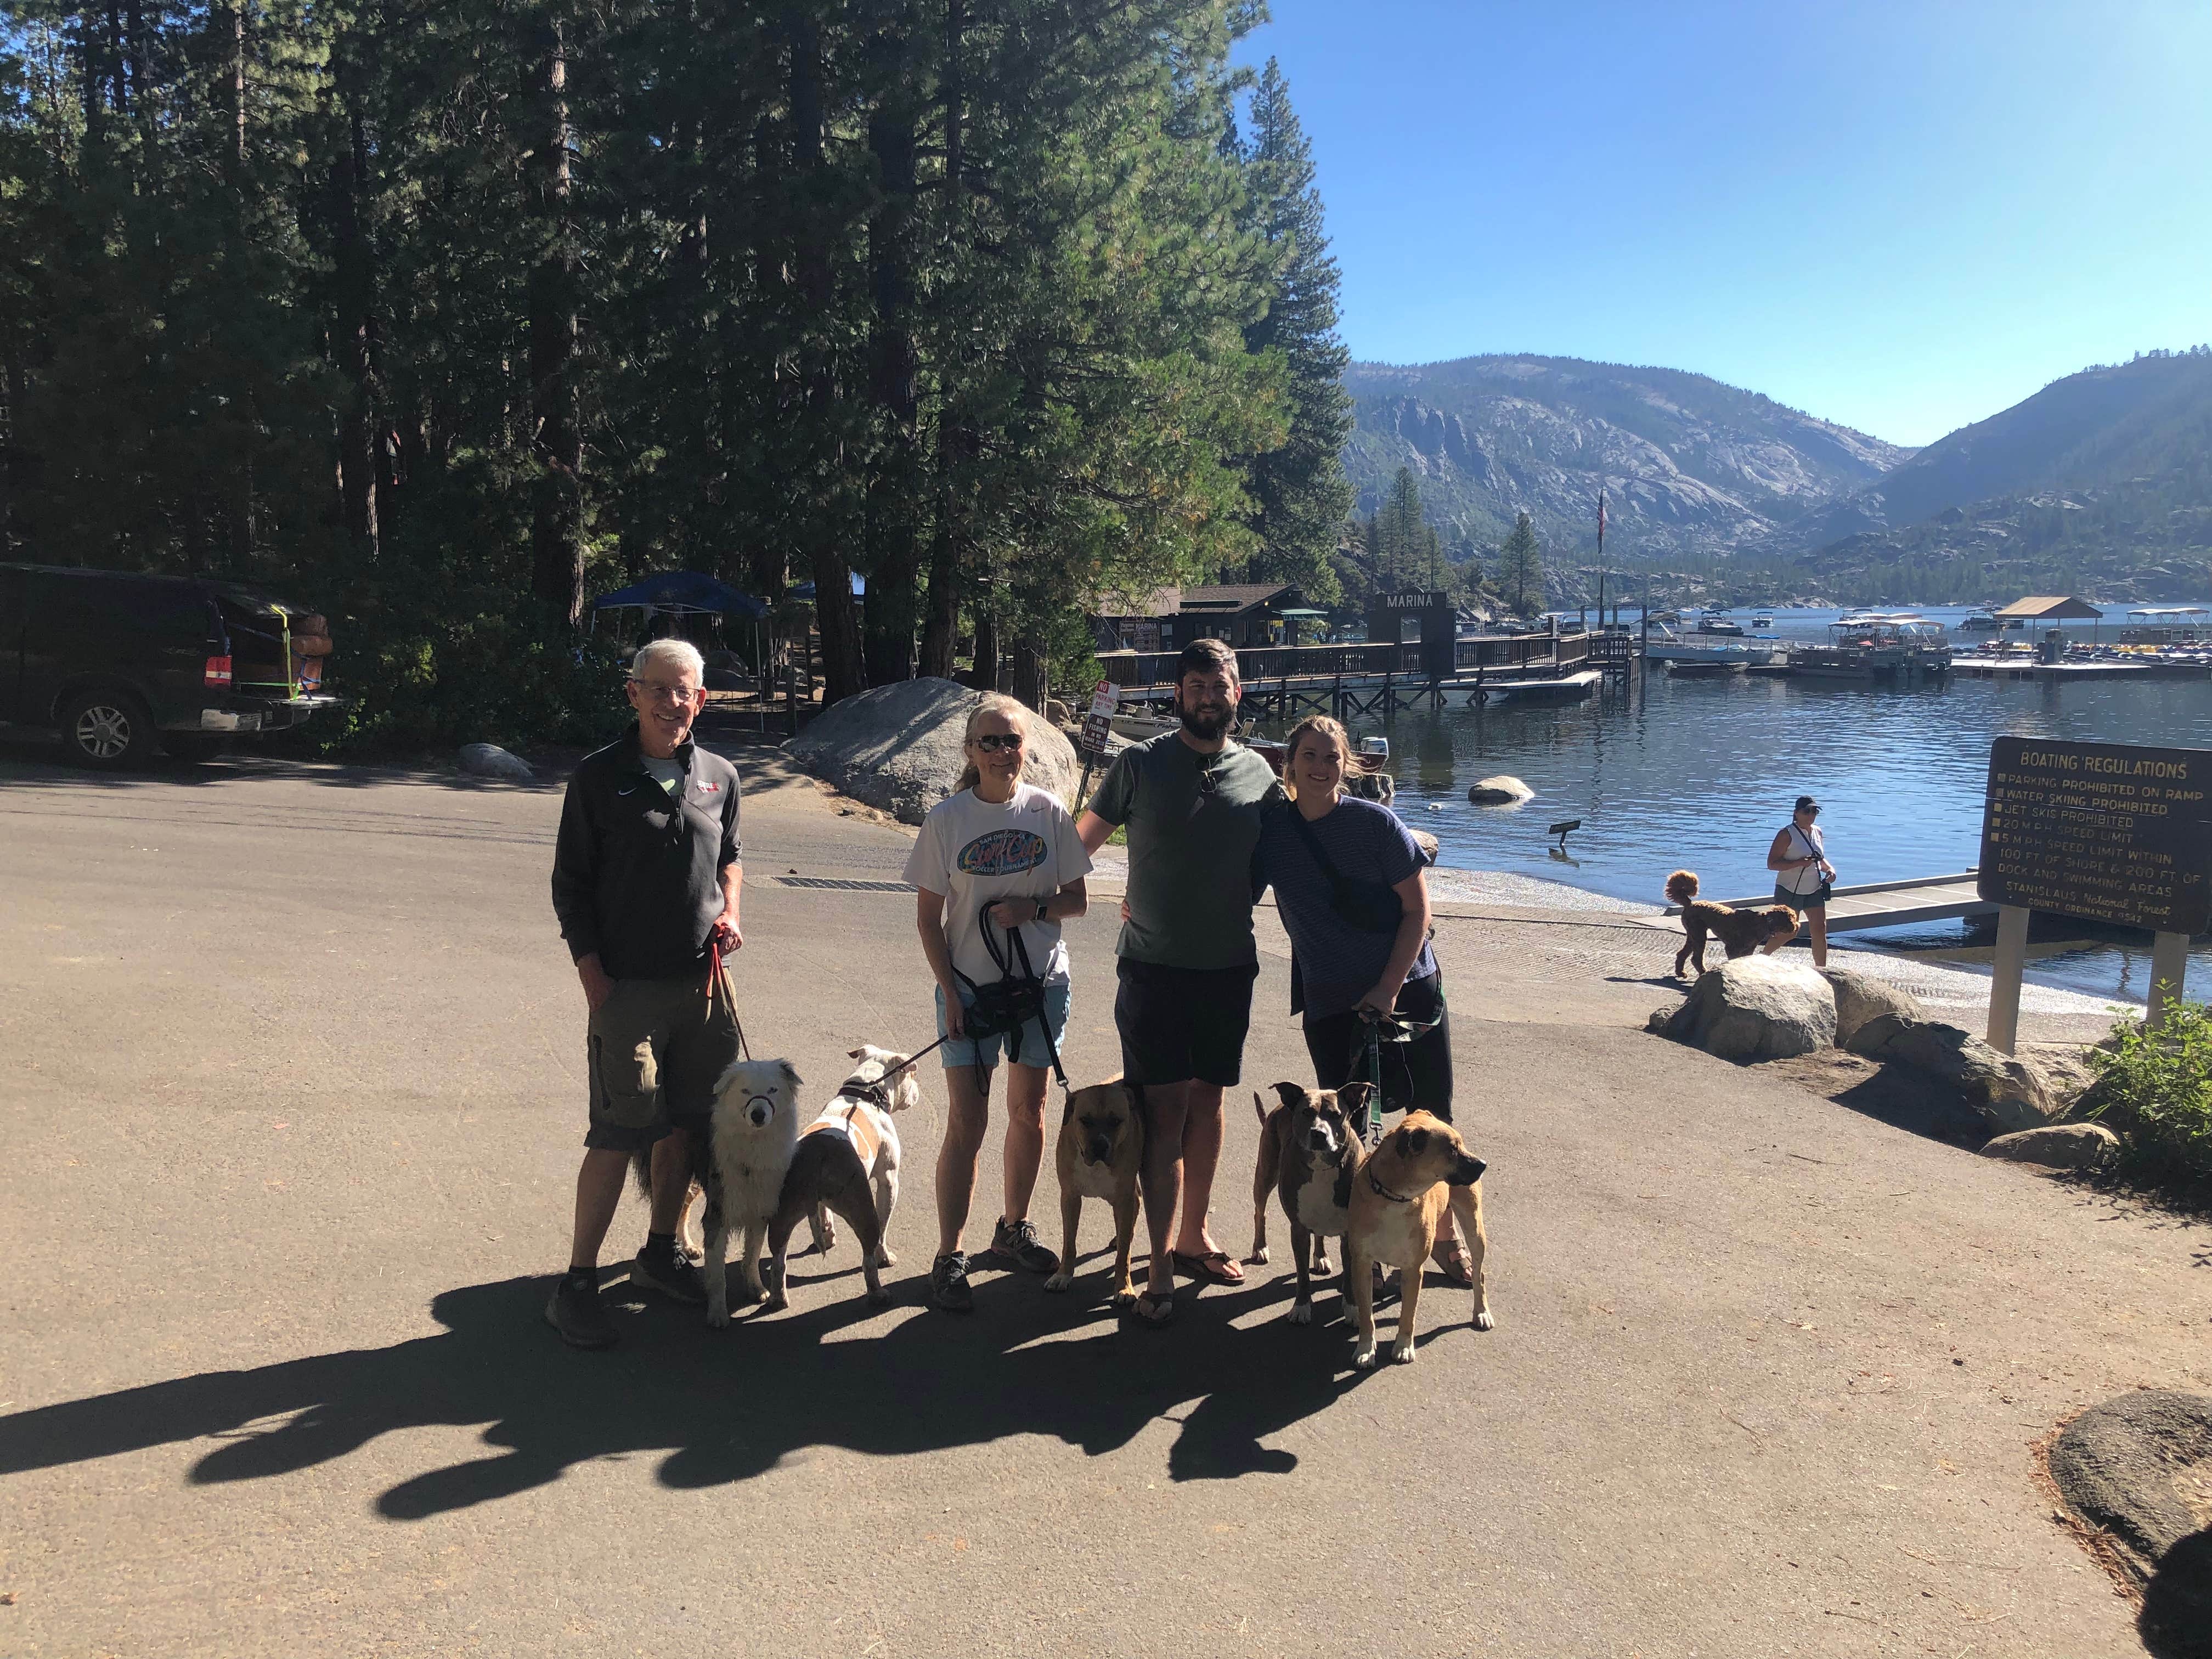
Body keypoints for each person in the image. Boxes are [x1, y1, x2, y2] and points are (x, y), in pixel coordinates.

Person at [1076, 637, 1283, 1325]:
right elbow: (1080, 844)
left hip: (1228, 967)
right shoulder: (1140, 764)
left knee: (1209, 1101)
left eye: (1219, 685)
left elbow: (1281, 861)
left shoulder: (1260, 776)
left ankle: (1194, 1234)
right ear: (1178, 694)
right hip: (1153, 968)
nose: (1208, 697)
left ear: (1237, 692)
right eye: (1196, 686)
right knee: (1163, 1111)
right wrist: (1027, 901)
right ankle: (1160, 1259)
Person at [545, 638, 744, 1349]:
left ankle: (660, 1254)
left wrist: (732, 912)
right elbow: (570, 884)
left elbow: (730, 859)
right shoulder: (599, 777)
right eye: (657, 688)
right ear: (632, 694)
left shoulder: (720, 776)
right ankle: (576, 1284)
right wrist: (593, 976)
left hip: (704, 987)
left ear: (701, 699)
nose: (671, 702)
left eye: (684, 690)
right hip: (625, 989)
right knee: (619, 1131)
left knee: (687, 1124)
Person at [1254, 715, 1473, 1285]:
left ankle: (1442, 1236)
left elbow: (1417, 911)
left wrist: (1388, 989)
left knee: (1431, 1117)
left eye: (1331, 757)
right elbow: (1229, 888)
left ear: (1346, 763)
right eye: (1308, 755)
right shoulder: (1273, 833)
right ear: (1289, 763)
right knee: (1345, 1129)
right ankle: (1368, 1246)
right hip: (1330, 1001)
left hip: (1409, 989)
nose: (1320, 767)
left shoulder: (1376, 824)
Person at [905, 694, 1091, 1314]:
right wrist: (951, 992)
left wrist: (1031, 909)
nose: (1002, 752)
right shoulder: (946, 820)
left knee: (1029, 1112)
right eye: (989, 742)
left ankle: (1013, 1228)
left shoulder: (1049, 812)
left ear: (1025, 747)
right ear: (970, 750)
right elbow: (929, 921)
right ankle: (949, 1253)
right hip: (970, 991)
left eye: (1012, 740)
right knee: (968, 1122)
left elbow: (1077, 901)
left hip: (1040, 986)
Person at [1767, 794, 1835, 967]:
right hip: (1789, 889)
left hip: (1814, 889)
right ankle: (1761, 957)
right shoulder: (1786, 834)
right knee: (1788, 931)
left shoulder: (1818, 832)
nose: (1811, 815)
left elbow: (1820, 859)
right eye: (1807, 812)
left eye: (1814, 812)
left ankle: (1822, 969)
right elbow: (1772, 864)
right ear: (1796, 813)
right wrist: (1798, 863)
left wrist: (1830, 870)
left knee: (1819, 929)